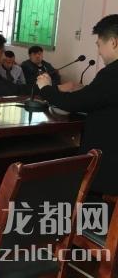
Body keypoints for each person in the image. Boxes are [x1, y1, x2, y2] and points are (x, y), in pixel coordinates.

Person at [37, 14, 118, 195]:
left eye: (99, 45)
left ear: (113, 42)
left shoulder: (112, 73)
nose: (99, 51)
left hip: (107, 170)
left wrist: (46, 89)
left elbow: (73, 103)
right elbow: (105, 97)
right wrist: (87, 90)